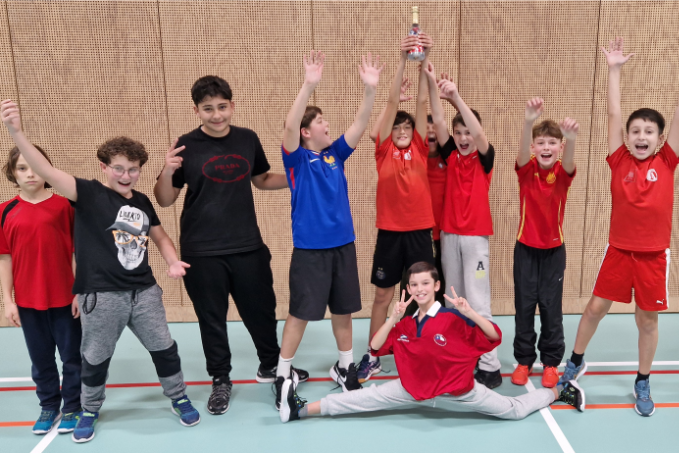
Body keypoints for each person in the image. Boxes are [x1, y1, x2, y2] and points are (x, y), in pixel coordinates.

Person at [1, 100, 200, 443]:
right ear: (104, 167)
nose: (126, 176)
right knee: (94, 358)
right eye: (118, 168)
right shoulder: (87, 194)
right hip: (101, 296)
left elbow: (160, 236)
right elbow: (45, 170)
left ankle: (178, 397)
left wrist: (171, 260)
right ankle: (90, 409)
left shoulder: (141, 201)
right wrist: (16, 132)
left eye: (133, 170)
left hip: (144, 292)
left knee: (164, 348)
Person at [153, 75, 307, 415]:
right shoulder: (185, 146)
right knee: (212, 320)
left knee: (261, 311)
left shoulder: (247, 139)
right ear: (196, 111)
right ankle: (220, 379)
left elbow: (262, 179)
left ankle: (271, 366)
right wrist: (166, 170)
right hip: (201, 251)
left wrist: (301, 177)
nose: (217, 115)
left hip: (247, 245)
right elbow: (164, 200)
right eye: (208, 109)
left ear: (232, 106)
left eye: (222, 107)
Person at [278, 262, 585, 423]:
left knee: (513, 410)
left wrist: (470, 312)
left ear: (436, 286)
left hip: (459, 393)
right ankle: (299, 409)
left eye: (425, 283)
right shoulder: (406, 325)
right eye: (413, 284)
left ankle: (562, 390)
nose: (419, 288)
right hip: (411, 390)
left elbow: (493, 336)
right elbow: (375, 346)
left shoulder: (454, 319)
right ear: (409, 289)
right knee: (358, 400)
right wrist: (392, 319)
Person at [559, 37, 679, 417]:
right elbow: (614, 113)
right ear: (627, 137)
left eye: (649, 131)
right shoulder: (619, 160)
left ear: (660, 138)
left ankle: (642, 380)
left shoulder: (667, 162)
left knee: (647, 319)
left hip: (652, 256)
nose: (641, 136)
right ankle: (575, 362)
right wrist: (613, 69)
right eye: (635, 131)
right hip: (619, 251)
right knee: (595, 308)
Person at [274, 50, 383, 408]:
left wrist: (370, 90)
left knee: (343, 309)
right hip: (310, 251)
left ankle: (345, 367)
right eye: (320, 122)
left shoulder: (335, 154)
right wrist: (309, 85)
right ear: (307, 132)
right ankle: (282, 373)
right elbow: (289, 127)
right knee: (301, 313)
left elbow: (360, 123)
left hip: (343, 246)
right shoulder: (297, 159)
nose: (327, 125)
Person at [357, 33, 437, 383]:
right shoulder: (383, 149)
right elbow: (391, 102)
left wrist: (424, 58)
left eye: (407, 126)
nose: (403, 130)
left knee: (423, 295)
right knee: (383, 295)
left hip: (419, 231)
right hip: (390, 233)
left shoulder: (419, 146)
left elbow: (421, 101)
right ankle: (373, 354)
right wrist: (403, 59)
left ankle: (424, 350)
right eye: (397, 127)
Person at [425, 64, 502, 388]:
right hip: (449, 237)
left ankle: (490, 366)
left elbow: (480, 135)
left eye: (468, 132)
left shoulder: (484, 158)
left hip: (474, 241)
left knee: (478, 301)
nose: (463, 138)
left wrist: (456, 97)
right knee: (453, 300)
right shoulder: (452, 156)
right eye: (459, 133)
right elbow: (439, 120)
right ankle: (460, 359)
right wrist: (432, 83)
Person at [0, 146, 81, 435]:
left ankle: (73, 406)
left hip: (65, 299)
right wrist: (7, 301)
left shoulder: (65, 206)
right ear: (13, 173)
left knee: (72, 357)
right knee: (41, 358)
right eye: (22, 168)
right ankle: (49, 405)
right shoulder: (5, 211)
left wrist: (78, 292)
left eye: (36, 166)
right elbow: (5, 259)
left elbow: (76, 253)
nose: (30, 173)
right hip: (28, 302)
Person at [511, 98, 579, 388]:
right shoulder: (526, 171)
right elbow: (521, 155)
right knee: (524, 307)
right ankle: (524, 360)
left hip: (553, 253)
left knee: (551, 309)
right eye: (541, 143)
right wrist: (528, 121)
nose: (546, 147)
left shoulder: (562, 173)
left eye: (552, 143)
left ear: (560, 148)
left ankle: (550, 363)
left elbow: (571, 160)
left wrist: (571, 139)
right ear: (533, 147)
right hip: (525, 250)